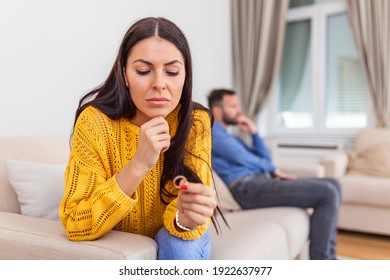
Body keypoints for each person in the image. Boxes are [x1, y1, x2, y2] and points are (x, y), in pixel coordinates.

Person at [59, 17, 218, 260]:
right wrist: (140, 163)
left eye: (172, 72)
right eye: (143, 71)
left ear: (185, 76)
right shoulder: (95, 122)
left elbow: (189, 216)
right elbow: (76, 222)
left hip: (176, 237)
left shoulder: (195, 121)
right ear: (124, 74)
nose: (159, 84)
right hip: (117, 236)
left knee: (176, 243)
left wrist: (184, 220)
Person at [207, 89, 342, 260]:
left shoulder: (231, 137)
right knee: (327, 193)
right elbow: (242, 158)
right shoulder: (212, 132)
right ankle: (322, 261)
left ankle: (329, 257)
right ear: (218, 110)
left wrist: (254, 133)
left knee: (334, 184)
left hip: (258, 182)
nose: (239, 110)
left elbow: (264, 157)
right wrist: (272, 169)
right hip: (245, 188)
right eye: (233, 106)